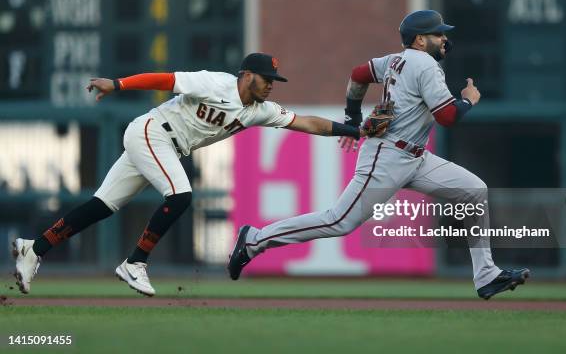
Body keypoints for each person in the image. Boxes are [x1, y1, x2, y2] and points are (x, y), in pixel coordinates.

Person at [12, 53, 379, 297]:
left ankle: (35, 248)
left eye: (273, 80)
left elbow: (306, 122)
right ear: (246, 74)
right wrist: (119, 84)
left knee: (101, 205)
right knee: (182, 195)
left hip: (166, 146)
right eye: (265, 78)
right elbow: (164, 79)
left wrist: (355, 130)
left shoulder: (260, 110)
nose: (270, 84)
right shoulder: (215, 82)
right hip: (152, 132)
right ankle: (135, 262)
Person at [227, 11, 530, 299]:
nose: (443, 39)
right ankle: (255, 239)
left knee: (474, 191)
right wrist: (469, 101)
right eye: (437, 34)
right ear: (420, 40)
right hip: (387, 155)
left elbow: (358, 74)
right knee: (339, 221)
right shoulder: (425, 64)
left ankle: (487, 275)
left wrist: (351, 117)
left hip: (415, 157)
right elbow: (448, 117)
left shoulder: (396, 60)